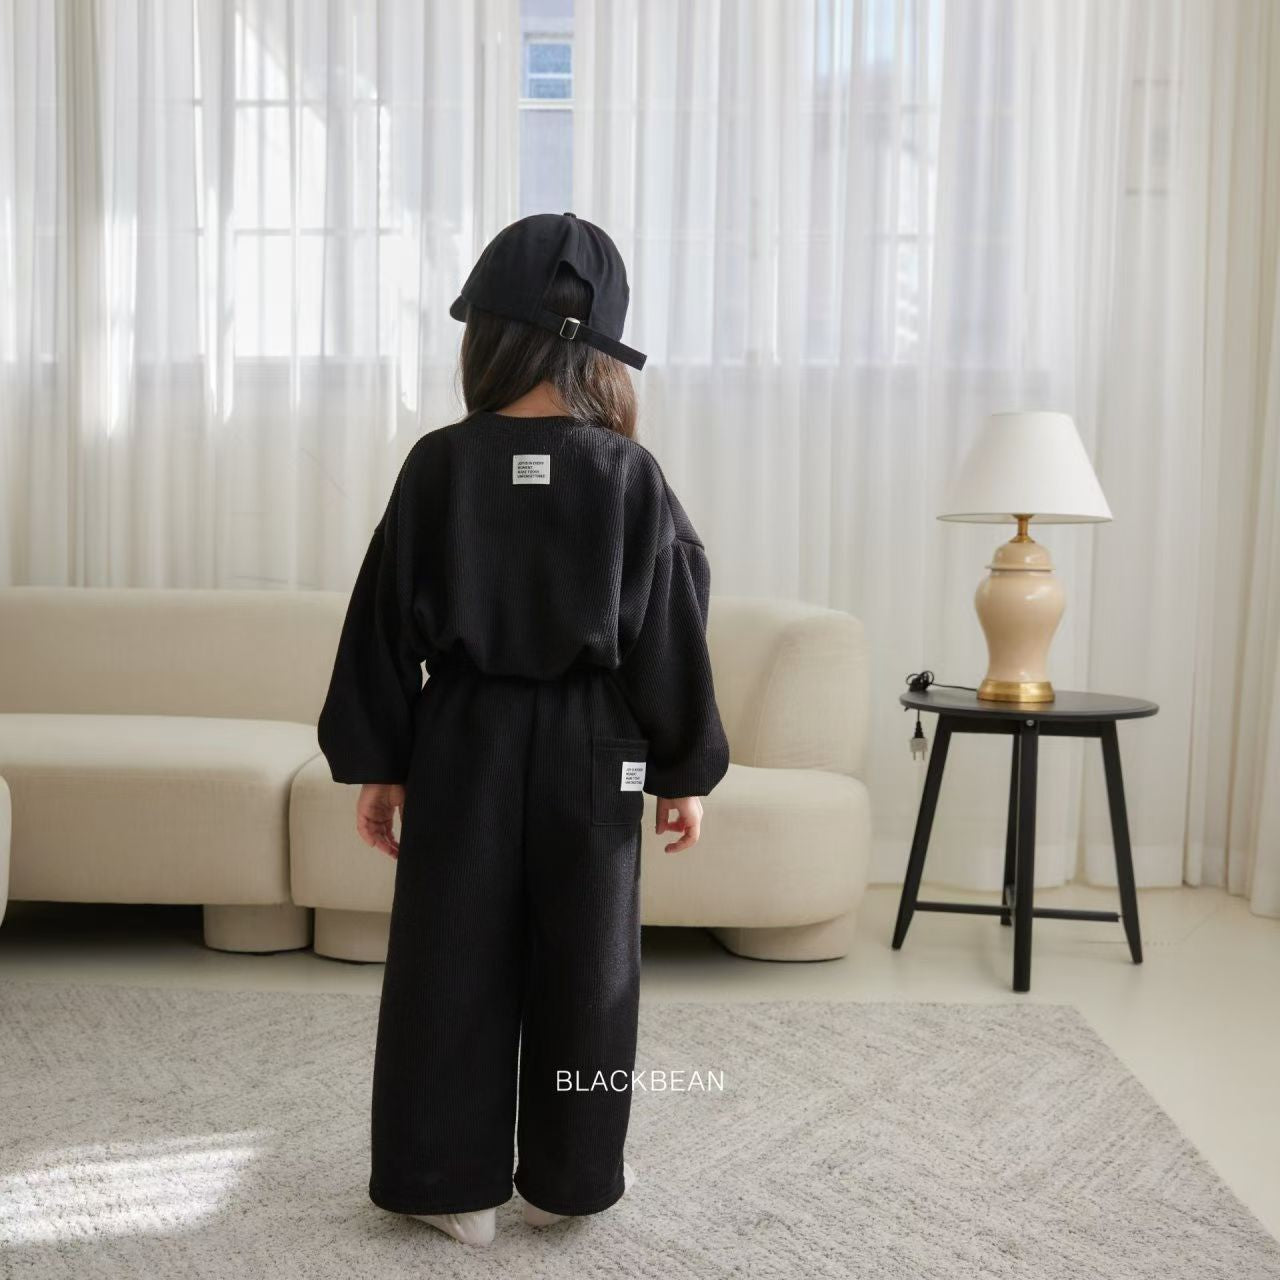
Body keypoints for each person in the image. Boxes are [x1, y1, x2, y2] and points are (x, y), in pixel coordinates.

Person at [316, 212, 730, 1248]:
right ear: (605, 353)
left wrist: (381, 761)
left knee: (446, 955)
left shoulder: (437, 465)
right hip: (599, 748)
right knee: (590, 967)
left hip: (463, 734)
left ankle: (444, 1178)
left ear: (486, 335)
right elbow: (669, 624)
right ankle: (569, 1176)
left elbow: (382, 617)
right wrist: (681, 768)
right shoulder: (629, 474)